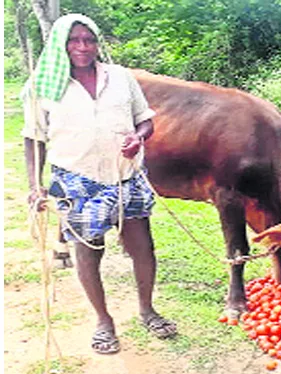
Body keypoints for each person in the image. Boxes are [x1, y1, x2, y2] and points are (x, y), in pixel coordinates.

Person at [22, 13, 177, 354]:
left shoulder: (120, 77)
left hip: (126, 176)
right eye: (74, 40)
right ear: (61, 45)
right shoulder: (43, 86)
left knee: (143, 248)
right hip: (77, 182)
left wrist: (138, 138)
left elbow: (145, 121)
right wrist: (35, 184)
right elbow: (34, 139)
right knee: (88, 253)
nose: (82, 47)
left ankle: (147, 310)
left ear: (97, 44)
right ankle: (103, 322)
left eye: (89, 40)